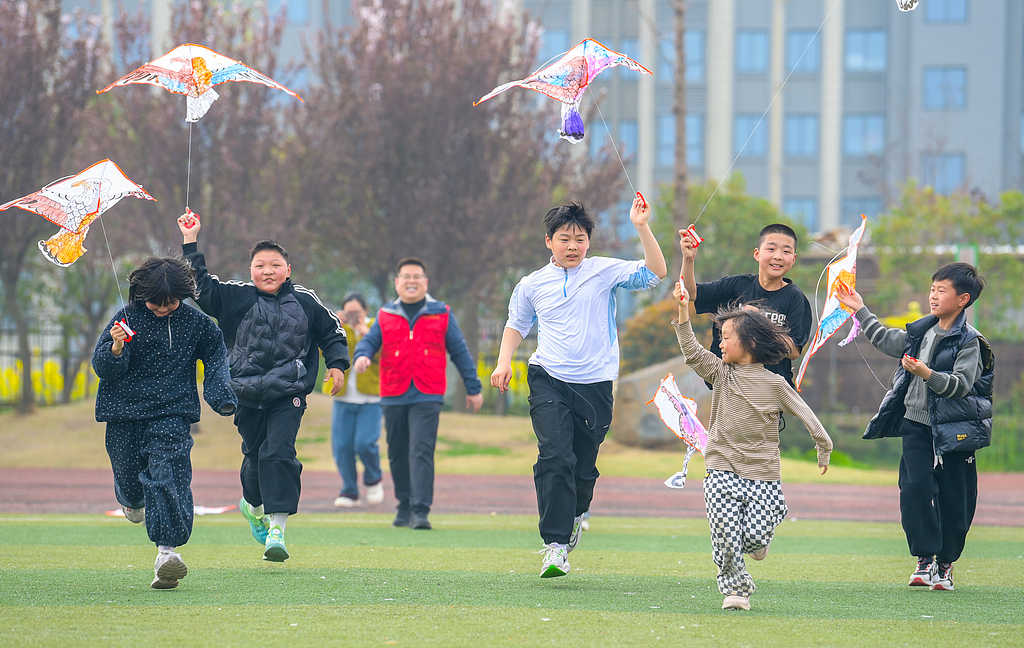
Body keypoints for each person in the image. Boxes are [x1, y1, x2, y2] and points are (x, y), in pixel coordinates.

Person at [490, 197, 668, 578]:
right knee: (554, 456)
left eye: (580, 239)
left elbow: (656, 273)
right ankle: (554, 546)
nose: (573, 246)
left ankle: (574, 514)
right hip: (547, 377)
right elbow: (516, 324)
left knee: (582, 468)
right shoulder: (531, 284)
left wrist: (641, 227)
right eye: (565, 238)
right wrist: (504, 360)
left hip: (596, 384)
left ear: (589, 241)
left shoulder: (603, 272)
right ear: (548, 241)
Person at [178, 210, 348, 562]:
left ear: (288, 270)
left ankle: (277, 529)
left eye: (274, 265)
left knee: (279, 453)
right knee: (255, 459)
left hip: (289, 392)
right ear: (250, 270)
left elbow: (331, 332)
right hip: (245, 394)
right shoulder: (236, 297)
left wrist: (337, 365)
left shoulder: (305, 300)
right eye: (259, 265)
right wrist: (190, 240)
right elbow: (202, 288)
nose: (267, 271)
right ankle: (253, 507)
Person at [672, 256, 831, 611]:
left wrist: (824, 445)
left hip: (763, 472)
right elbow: (691, 351)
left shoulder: (776, 383)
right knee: (725, 535)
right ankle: (736, 590)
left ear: (750, 342)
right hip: (720, 467)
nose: (720, 343)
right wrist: (683, 312)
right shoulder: (720, 372)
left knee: (757, 537)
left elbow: (806, 415)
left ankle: (759, 541)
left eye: (726, 338)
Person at [835, 262, 991, 592]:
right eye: (932, 289)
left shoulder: (971, 341)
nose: (933, 296)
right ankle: (924, 559)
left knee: (955, 500)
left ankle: (945, 565)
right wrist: (859, 309)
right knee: (914, 490)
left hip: (955, 432)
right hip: (916, 426)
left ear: (962, 299)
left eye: (941, 290)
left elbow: (961, 384)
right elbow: (887, 340)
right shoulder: (921, 331)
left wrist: (925, 374)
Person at [92, 255, 237, 589]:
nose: (164, 308)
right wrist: (115, 346)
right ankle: (130, 501)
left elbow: (216, 356)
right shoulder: (126, 318)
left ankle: (167, 553)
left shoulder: (197, 324)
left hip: (172, 413)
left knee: (167, 476)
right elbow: (102, 368)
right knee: (130, 482)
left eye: (172, 302)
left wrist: (221, 396)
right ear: (141, 293)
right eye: (156, 302)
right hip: (123, 413)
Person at [353, 257, 483, 531]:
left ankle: (421, 510)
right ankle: (404, 505)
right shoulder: (385, 314)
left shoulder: (442, 312)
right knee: (398, 452)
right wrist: (362, 356)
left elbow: (459, 352)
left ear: (426, 282)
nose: (411, 282)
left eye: (417, 277)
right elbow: (369, 342)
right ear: (397, 283)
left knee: (421, 450)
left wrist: (473, 388)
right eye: (405, 277)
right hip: (393, 392)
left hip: (428, 393)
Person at [680, 223, 811, 388]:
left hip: (767, 392)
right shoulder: (736, 285)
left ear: (793, 259)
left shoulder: (795, 298)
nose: (778, 256)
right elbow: (691, 293)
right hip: (728, 384)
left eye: (786, 251)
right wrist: (688, 259)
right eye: (771, 249)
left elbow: (794, 352)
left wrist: (761, 323)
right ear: (757, 254)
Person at [331, 293, 384, 508]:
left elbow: (386, 356)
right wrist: (335, 325)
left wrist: (365, 333)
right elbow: (321, 351)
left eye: (357, 312)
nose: (353, 317)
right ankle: (349, 490)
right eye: (349, 312)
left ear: (366, 311)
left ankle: (373, 480)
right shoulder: (337, 328)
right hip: (343, 396)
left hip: (371, 398)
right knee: (342, 446)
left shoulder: (375, 328)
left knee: (365, 443)